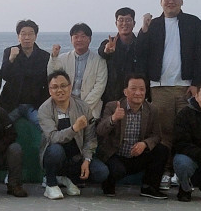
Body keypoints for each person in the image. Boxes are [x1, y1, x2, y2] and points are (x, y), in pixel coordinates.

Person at [137, 0, 201, 190]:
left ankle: (186, 173)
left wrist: (196, 84)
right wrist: (143, 29)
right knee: (164, 132)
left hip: (186, 88)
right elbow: (140, 53)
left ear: (182, 1)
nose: (171, 1)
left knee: (187, 132)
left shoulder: (193, 23)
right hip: (159, 87)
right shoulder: (153, 25)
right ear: (161, 1)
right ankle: (166, 172)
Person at [96, 74, 169, 199]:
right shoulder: (113, 106)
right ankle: (108, 183)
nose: (138, 93)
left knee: (162, 150)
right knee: (117, 170)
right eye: (133, 89)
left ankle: (149, 188)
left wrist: (145, 144)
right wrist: (113, 119)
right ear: (125, 91)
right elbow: (100, 131)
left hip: (137, 155)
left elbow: (157, 136)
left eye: (142, 89)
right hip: (116, 155)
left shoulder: (152, 110)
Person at [38, 70, 109, 200]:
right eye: (55, 87)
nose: (60, 90)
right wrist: (74, 128)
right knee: (55, 150)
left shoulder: (83, 107)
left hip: (77, 156)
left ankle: (67, 179)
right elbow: (53, 137)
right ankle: (51, 183)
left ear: (70, 87)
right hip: (55, 154)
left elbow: (90, 138)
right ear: (49, 91)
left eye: (63, 86)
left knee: (101, 172)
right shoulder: (44, 109)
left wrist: (87, 160)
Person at [48, 23, 107, 119]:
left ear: (90, 39)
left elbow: (99, 87)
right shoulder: (63, 58)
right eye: (76, 37)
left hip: (90, 110)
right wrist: (54, 57)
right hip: (65, 108)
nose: (79, 40)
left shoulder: (99, 61)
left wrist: (82, 108)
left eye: (83, 36)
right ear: (71, 39)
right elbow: (52, 77)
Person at [0, 19, 50, 128]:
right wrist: (11, 59)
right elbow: (4, 75)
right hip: (12, 104)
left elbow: (47, 82)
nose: (27, 37)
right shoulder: (9, 52)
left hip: (34, 105)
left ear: (35, 36)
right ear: (18, 36)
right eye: (23, 34)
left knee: (45, 127)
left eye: (30, 34)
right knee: (1, 127)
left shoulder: (44, 56)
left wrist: (43, 106)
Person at [98, 7, 140, 108]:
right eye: (121, 20)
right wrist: (107, 50)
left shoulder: (140, 45)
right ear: (116, 23)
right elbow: (102, 51)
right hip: (111, 99)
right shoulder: (109, 43)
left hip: (134, 97)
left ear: (134, 23)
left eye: (128, 20)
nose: (124, 23)